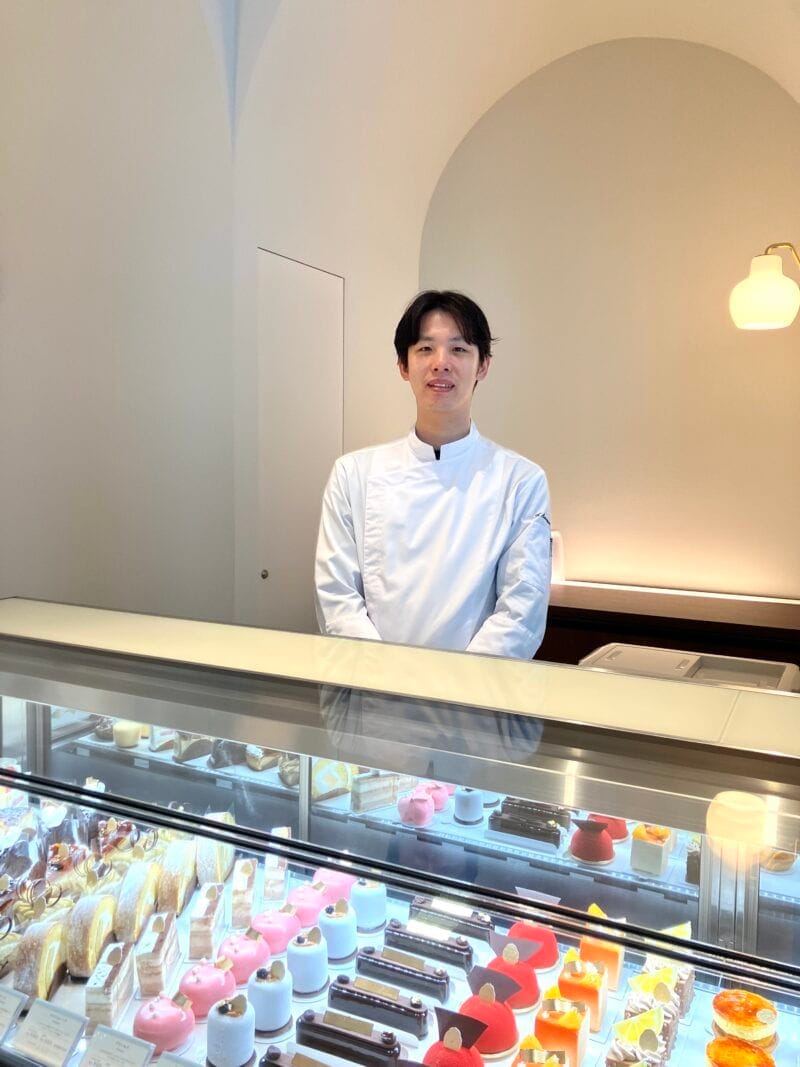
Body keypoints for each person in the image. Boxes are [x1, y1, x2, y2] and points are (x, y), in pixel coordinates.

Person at [314, 290, 551, 659]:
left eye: (459, 349)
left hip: (473, 689)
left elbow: (521, 611)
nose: (441, 363)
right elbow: (337, 598)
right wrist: (382, 677)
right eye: (425, 348)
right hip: (371, 684)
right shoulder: (353, 474)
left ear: (483, 366)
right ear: (403, 366)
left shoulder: (521, 481)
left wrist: (456, 684)